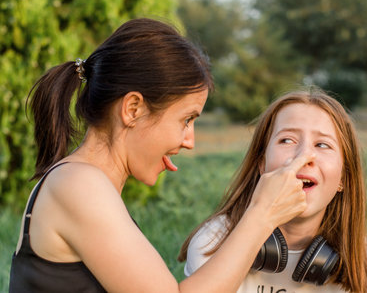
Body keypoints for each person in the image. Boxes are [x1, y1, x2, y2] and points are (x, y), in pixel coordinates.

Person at [9, 18, 314, 292]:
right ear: (133, 109)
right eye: (186, 120)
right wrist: (262, 214)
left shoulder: (84, 183)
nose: (190, 141)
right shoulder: (78, 185)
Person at [179, 88, 367, 292]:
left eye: (322, 145)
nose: (303, 156)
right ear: (262, 164)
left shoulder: (363, 271)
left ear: (343, 176)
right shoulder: (213, 241)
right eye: (287, 140)